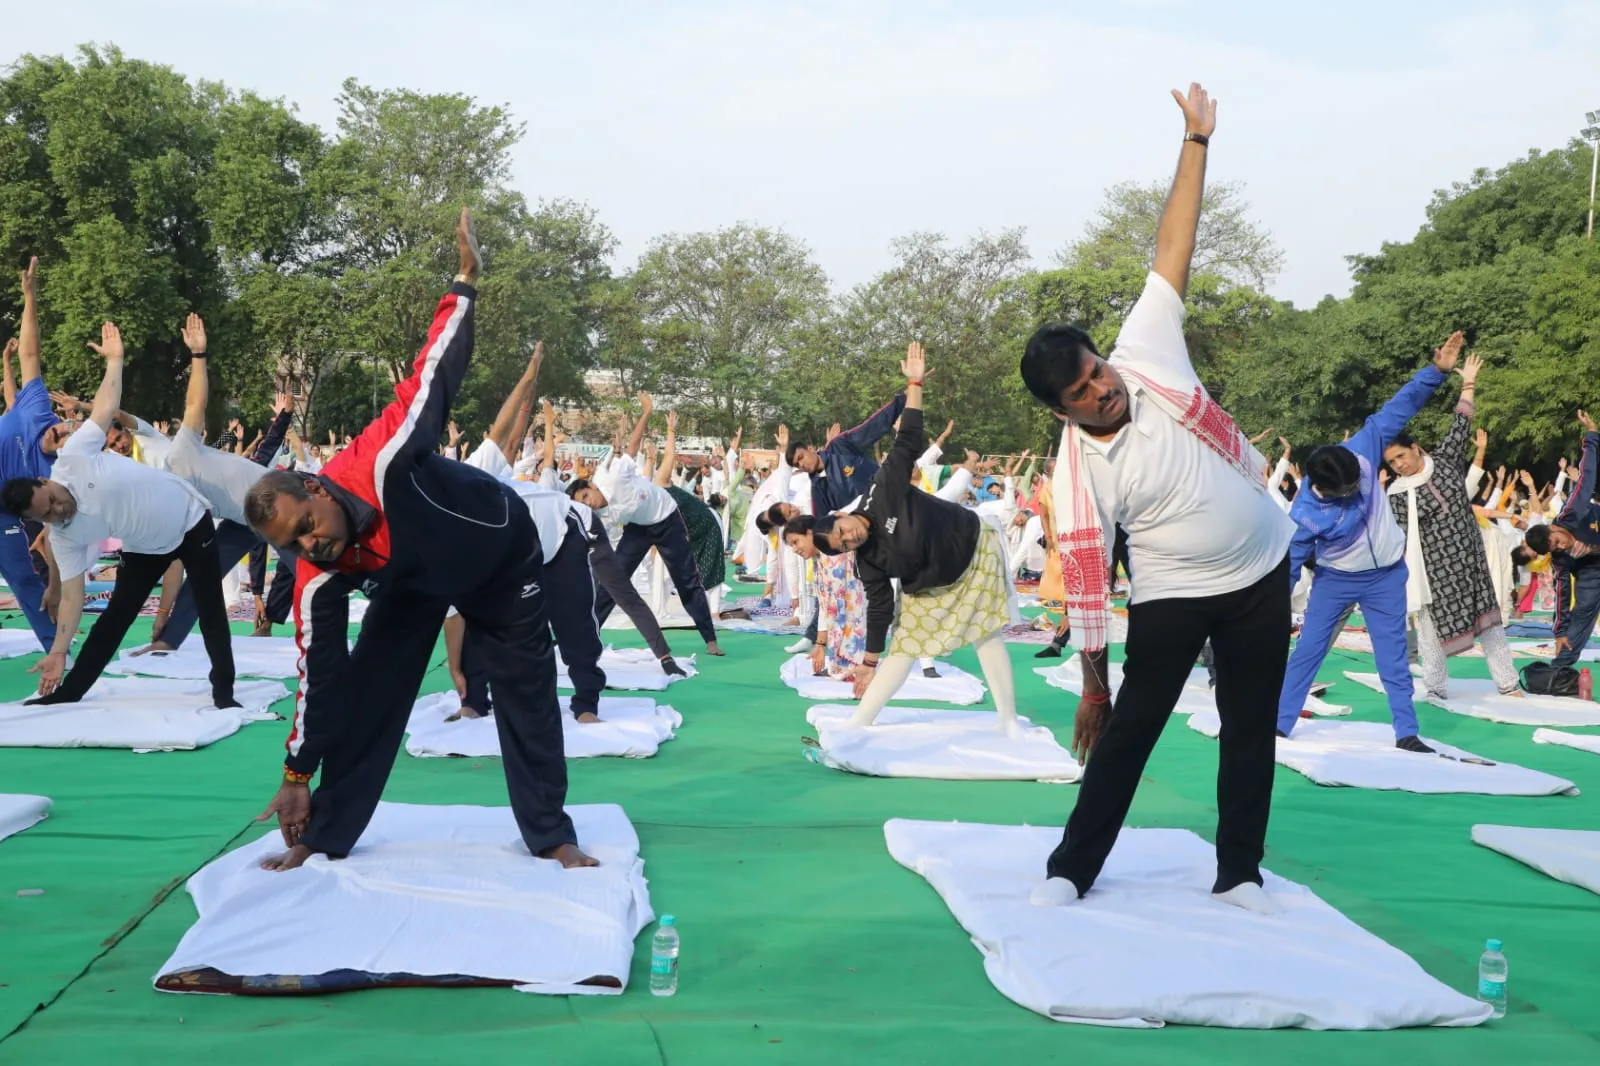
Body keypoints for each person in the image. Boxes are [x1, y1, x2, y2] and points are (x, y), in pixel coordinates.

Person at [246, 209, 594, 873]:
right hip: (411, 584)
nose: (309, 547)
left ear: (318, 491)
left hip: (499, 557)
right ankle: (327, 835)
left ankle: (550, 833)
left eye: (308, 526)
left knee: (526, 692)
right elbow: (317, 681)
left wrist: (463, 284)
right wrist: (296, 774)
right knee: (365, 696)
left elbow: (429, 381)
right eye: (294, 544)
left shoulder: (376, 463)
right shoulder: (318, 577)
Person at [1019, 84, 1292, 915]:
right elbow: (1089, 583)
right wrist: (1093, 683)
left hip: (1261, 574)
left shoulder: (1147, 349)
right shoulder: (1079, 472)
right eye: (1080, 394)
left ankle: (1238, 872)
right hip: (1174, 594)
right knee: (1130, 734)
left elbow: (1175, 243)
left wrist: (1196, 142)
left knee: (1249, 732)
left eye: (1095, 372)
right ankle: (1071, 869)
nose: (1101, 391)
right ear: (1062, 410)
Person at [1, 321, 239, 708]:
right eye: (49, 516)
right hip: (146, 547)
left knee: (210, 608)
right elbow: (73, 598)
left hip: (191, 522)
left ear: (45, 483)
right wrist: (59, 650)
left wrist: (115, 361)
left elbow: (107, 406)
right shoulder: (63, 535)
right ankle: (70, 692)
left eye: (54, 502)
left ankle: (224, 694)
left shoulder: (75, 458)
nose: (59, 511)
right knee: (115, 618)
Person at [810, 342, 1020, 730]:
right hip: (929, 585)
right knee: (904, 649)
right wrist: (868, 662)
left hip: (974, 551)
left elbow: (907, 438)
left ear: (842, 515)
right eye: (844, 545)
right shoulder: (867, 561)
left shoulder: (883, 489)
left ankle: (1008, 719)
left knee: (985, 635)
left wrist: (915, 384)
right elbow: (878, 607)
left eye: (844, 531)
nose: (851, 538)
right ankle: (861, 721)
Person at [1276, 338, 1464, 751]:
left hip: (1386, 578)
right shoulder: (1305, 511)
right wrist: (1268, 609)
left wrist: (1437, 372)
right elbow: (1289, 564)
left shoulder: (1362, 450)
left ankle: (1406, 733)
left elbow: (1401, 405)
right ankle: (1279, 725)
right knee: (1308, 651)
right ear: (1320, 487)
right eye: (1344, 491)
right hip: (1335, 580)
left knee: (1393, 656)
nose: (1356, 491)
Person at [134, 315, 294, 653]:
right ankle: (167, 642)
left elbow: (196, 403)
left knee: (316, 572)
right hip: (242, 519)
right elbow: (178, 564)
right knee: (204, 577)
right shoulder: (169, 507)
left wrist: (198, 356)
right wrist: (163, 616)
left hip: (276, 501)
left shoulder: (180, 452)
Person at [1384, 357, 1521, 700]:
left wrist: (1469, 384)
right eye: (1392, 462)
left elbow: (1460, 423)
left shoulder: (1444, 462)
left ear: (1416, 448)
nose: (1399, 465)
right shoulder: (1398, 493)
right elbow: (1397, 536)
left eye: (1401, 456)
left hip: (1470, 561)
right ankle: (1436, 689)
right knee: (1430, 631)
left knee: (1490, 623)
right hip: (1433, 572)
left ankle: (1508, 685)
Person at [568, 394, 725, 657]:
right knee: (611, 581)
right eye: (583, 504)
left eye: (586, 497)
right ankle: (587, 636)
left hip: (667, 518)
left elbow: (632, 445)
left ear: (592, 486)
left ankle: (710, 639)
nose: (589, 504)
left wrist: (646, 412)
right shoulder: (596, 515)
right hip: (638, 529)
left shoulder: (613, 476)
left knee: (686, 582)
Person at [0, 258, 71, 653]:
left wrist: (57, 586)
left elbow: (57, 532)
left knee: (24, 579)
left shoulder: (51, 473)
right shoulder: (37, 407)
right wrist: (30, 298)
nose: (59, 437)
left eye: (63, 441)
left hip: (6, 508)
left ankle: (56, 653)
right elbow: (31, 355)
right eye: (62, 432)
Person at [1525, 410, 1600, 672]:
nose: (1561, 547)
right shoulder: (1558, 560)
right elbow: (1561, 595)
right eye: (1554, 550)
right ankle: (1559, 669)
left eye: (1557, 541)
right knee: (1583, 610)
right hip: (1592, 569)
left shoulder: (1572, 511)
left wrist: (1591, 435)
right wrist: (1559, 632)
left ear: (1553, 527)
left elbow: (1586, 477)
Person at [787, 393, 905, 515]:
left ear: (810, 449)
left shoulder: (839, 447)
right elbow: (824, 527)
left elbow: (872, 426)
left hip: (894, 496)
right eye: (797, 464)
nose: (802, 464)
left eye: (801, 457)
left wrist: (905, 396)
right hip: (876, 523)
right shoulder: (818, 492)